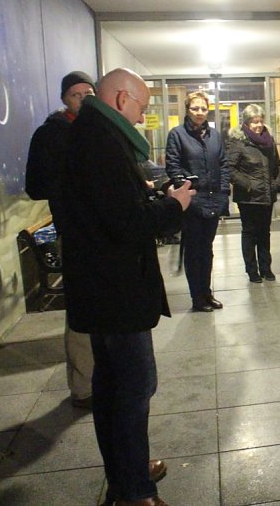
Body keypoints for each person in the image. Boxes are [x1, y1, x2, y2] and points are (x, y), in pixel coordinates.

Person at [62, 68, 195, 506]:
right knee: (133, 387)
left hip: (101, 287)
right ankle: (134, 491)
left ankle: (129, 470)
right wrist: (172, 206)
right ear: (122, 99)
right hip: (114, 290)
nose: (141, 118)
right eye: (140, 107)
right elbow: (126, 224)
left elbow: (112, 208)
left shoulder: (91, 134)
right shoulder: (100, 142)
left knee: (114, 386)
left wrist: (145, 194)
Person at [24, 70, 96, 409]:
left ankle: (104, 377)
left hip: (103, 230)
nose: (83, 99)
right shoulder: (51, 135)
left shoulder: (99, 130)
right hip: (76, 229)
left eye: (88, 93)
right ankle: (84, 386)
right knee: (82, 307)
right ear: (64, 99)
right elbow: (36, 185)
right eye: (76, 94)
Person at [166, 91, 230, 312]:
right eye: (195, 108)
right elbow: (173, 167)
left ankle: (207, 293)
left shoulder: (215, 135)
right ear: (187, 109)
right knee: (194, 250)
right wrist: (187, 188)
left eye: (203, 108)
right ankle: (197, 297)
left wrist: (222, 192)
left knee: (207, 249)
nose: (200, 112)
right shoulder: (177, 134)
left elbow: (223, 164)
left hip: (213, 200)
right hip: (191, 201)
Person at [227, 104, 280, 283]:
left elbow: (276, 165)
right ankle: (252, 271)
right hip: (249, 197)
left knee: (264, 233)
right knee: (250, 233)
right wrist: (248, 185)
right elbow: (230, 168)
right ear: (247, 123)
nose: (258, 125)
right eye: (254, 122)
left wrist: (277, 184)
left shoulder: (269, 140)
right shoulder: (238, 142)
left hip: (267, 194)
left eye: (260, 121)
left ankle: (266, 268)